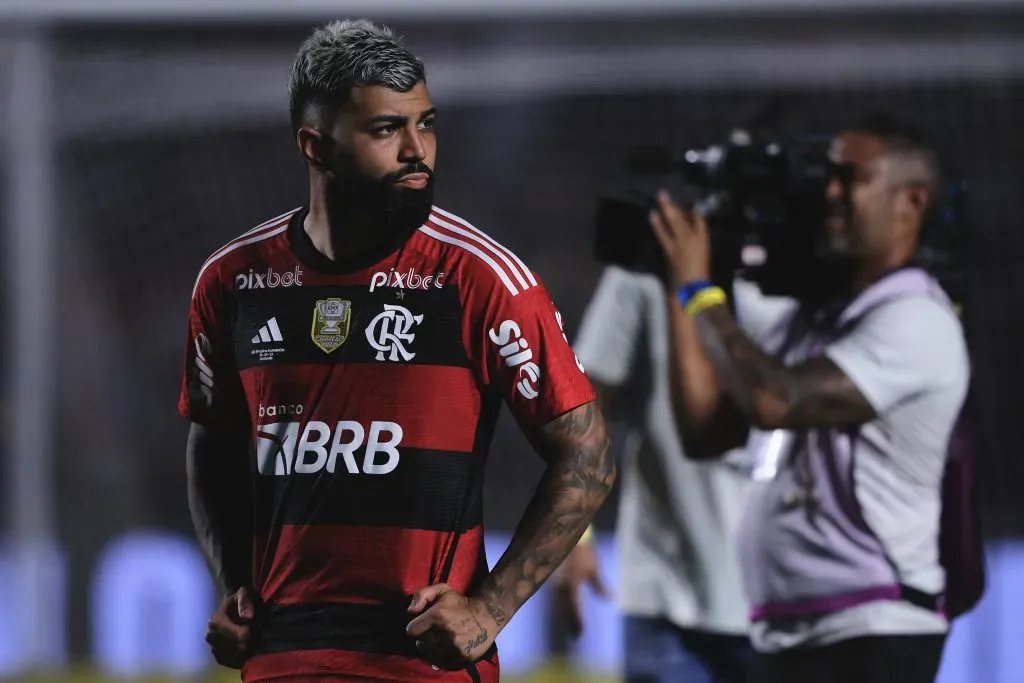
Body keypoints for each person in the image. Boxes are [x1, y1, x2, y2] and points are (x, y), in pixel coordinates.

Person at [179, 19, 615, 683]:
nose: (420, 151)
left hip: (419, 663)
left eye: (427, 124)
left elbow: (586, 450)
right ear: (315, 146)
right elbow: (210, 441)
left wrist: (490, 610)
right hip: (282, 659)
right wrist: (234, 582)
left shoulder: (481, 279)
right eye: (387, 130)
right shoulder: (232, 281)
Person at [650, 114, 969, 683]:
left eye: (852, 178)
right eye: (828, 177)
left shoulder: (917, 317)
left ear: (911, 202)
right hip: (790, 635)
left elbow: (773, 400)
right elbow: (705, 430)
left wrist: (702, 292)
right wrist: (679, 289)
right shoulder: (811, 318)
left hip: (873, 630)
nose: (830, 193)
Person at [555, 262, 753, 683]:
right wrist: (574, 533)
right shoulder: (650, 258)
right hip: (665, 597)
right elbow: (583, 406)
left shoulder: (824, 254)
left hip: (793, 603)